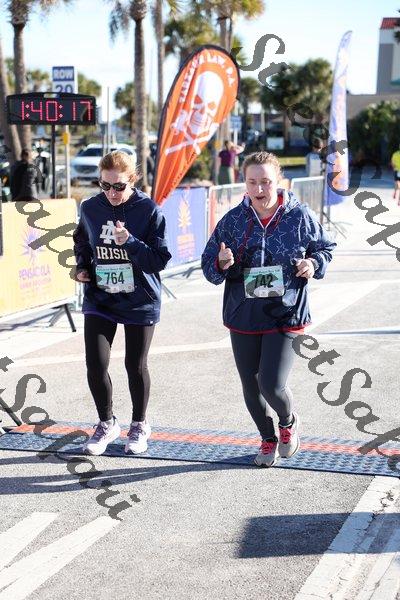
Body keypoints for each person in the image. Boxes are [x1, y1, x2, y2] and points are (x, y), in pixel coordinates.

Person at [202, 151, 336, 468]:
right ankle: (267, 438)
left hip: (285, 312)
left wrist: (313, 263)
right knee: (251, 387)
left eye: (265, 181)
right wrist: (220, 263)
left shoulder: (299, 216)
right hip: (244, 313)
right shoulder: (232, 221)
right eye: (252, 182)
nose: (259, 189)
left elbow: (326, 248)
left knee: (271, 384)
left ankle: (287, 422)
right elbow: (209, 267)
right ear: (244, 183)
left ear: (279, 181)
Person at [73, 150, 171, 456]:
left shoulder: (148, 209)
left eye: (119, 186)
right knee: (95, 363)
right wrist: (82, 267)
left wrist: (129, 242)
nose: (112, 193)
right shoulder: (90, 207)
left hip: (139, 298)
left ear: (133, 180)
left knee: (135, 365)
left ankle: (139, 424)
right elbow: (82, 240)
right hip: (101, 297)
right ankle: (107, 423)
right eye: (105, 185)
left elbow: (159, 259)